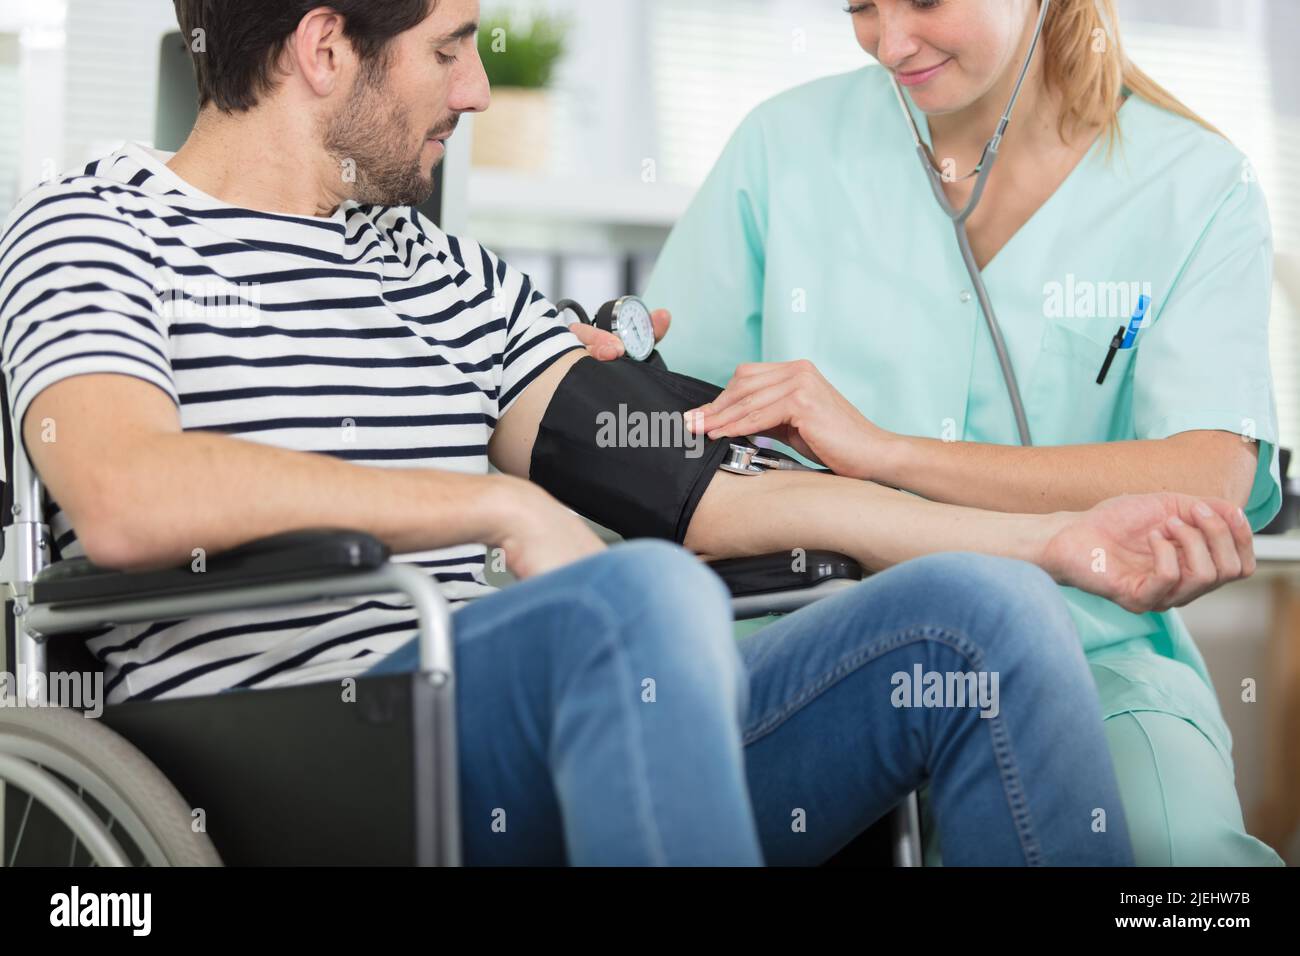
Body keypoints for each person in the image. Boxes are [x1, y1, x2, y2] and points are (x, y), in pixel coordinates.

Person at [0, 0, 1252, 865]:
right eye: (452, 47)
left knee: (977, 613)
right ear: (326, 46)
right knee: (634, 602)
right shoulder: (97, 225)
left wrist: (1051, 540)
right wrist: (496, 505)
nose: (480, 88)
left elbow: (710, 490)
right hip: (287, 738)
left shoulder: (440, 270)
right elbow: (125, 491)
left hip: (521, 705)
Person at [633, 0, 1283, 866]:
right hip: (815, 646)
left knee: (1181, 858)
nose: (891, 43)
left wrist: (888, 453)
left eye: (927, 1)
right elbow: (670, 441)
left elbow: (1207, 480)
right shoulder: (782, 149)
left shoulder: (1195, 188)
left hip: (1095, 656)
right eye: (860, 7)